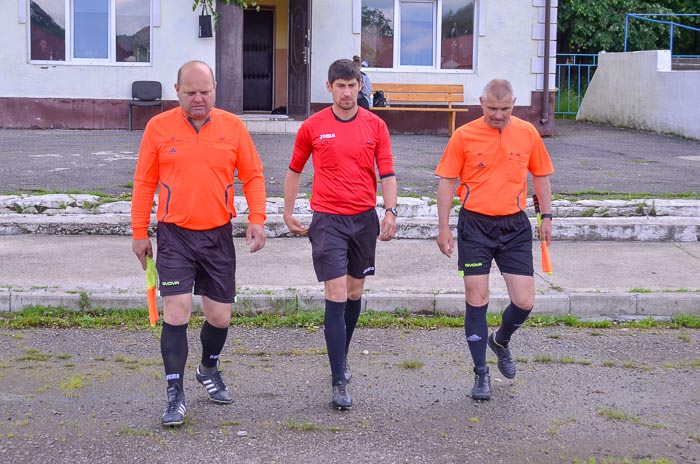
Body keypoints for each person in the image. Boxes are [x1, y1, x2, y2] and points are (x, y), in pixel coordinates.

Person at [131, 60, 267, 426]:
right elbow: (144, 183)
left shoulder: (233, 127)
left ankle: (208, 369)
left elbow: (252, 175)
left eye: (205, 92)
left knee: (219, 317)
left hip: (218, 236)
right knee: (176, 314)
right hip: (174, 235)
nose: (198, 99)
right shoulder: (158, 128)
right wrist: (139, 232)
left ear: (215, 90)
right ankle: (175, 394)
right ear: (176, 91)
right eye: (190, 92)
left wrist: (257, 218)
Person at [283, 58, 397, 410]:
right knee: (334, 292)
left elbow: (387, 172)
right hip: (328, 220)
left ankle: (341, 358)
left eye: (353, 85)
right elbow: (294, 169)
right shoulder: (313, 126)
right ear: (329, 87)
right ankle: (338, 381)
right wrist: (287, 212)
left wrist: (390, 210)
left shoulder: (375, 126)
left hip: (363, 219)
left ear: (360, 86)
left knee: (353, 291)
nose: (347, 92)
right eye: (340, 86)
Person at [434, 79, 554, 401]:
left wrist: (547, 217)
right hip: (475, 226)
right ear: (481, 103)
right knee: (476, 297)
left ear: (514, 104)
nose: (498, 115)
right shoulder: (464, 135)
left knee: (525, 301)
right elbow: (446, 183)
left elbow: (540, 176)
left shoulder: (528, 133)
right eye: (492, 108)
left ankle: (500, 341)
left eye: (505, 109)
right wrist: (443, 227)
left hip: (514, 227)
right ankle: (481, 373)